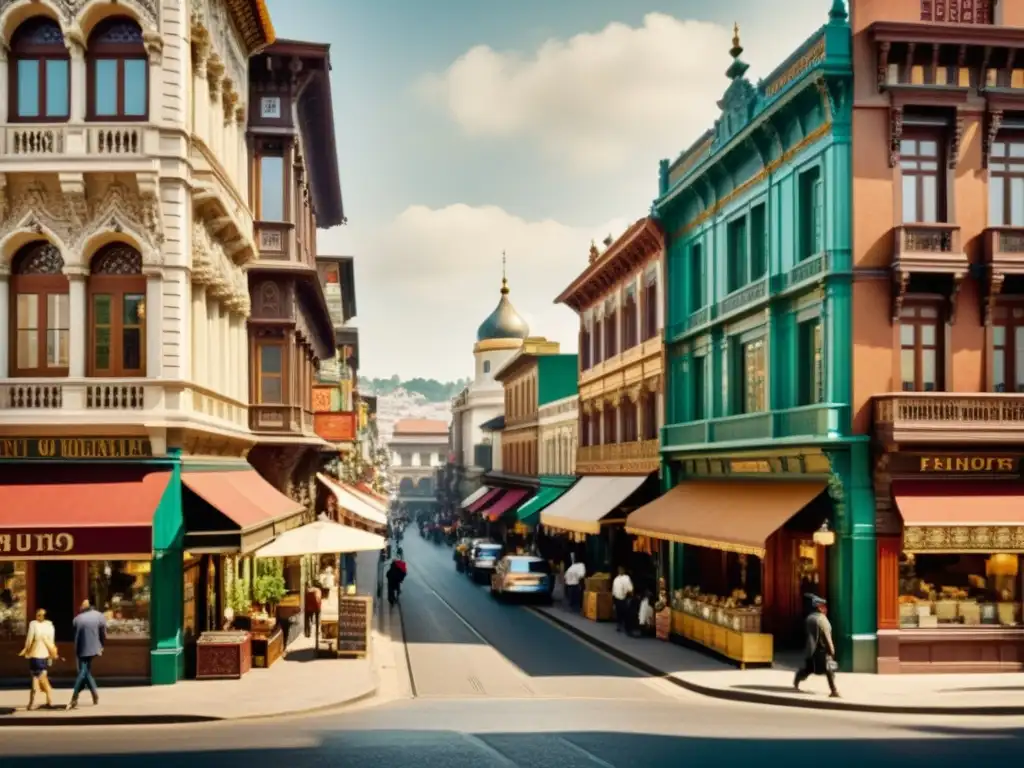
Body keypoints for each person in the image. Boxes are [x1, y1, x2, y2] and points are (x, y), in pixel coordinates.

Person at [794, 595, 840, 698]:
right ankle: (834, 691)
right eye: (823, 607)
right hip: (821, 650)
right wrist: (832, 650)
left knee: (809, 669)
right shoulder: (823, 620)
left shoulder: (809, 618)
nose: (825, 609)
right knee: (829, 670)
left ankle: (797, 679)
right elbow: (827, 636)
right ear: (819, 608)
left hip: (811, 649)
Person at [67, 599, 107, 710]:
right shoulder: (99, 616)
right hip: (94, 648)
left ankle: (74, 697)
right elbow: (103, 633)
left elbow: (75, 634)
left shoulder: (77, 619)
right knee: (86, 672)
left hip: (81, 649)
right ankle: (94, 694)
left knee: (83, 672)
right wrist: (101, 645)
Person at [19, 608, 58, 710]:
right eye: (37, 614)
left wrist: (26, 651)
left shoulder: (33, 624)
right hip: (45, 656)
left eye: (39, 615)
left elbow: (29, 640)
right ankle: (35, 702)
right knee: (37, 679)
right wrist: (51, 657)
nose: (38, 616)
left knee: (38, 679)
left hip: (35, 655)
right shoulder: (50, 626)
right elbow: (52, 643)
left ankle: (46, 699)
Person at [611, 566, 634, 633]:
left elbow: (630, 588)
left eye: (621, 570)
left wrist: (629, 594)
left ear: (624, 570)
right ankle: (619, 625)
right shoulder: (616, 579)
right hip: (617, 598)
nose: (620, 571)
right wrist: (614, 599)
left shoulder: (626, 578)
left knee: (625, 613)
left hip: (625, 598)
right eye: (619, 570)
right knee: (619, 613)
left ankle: (627, 627)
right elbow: (614, 589)